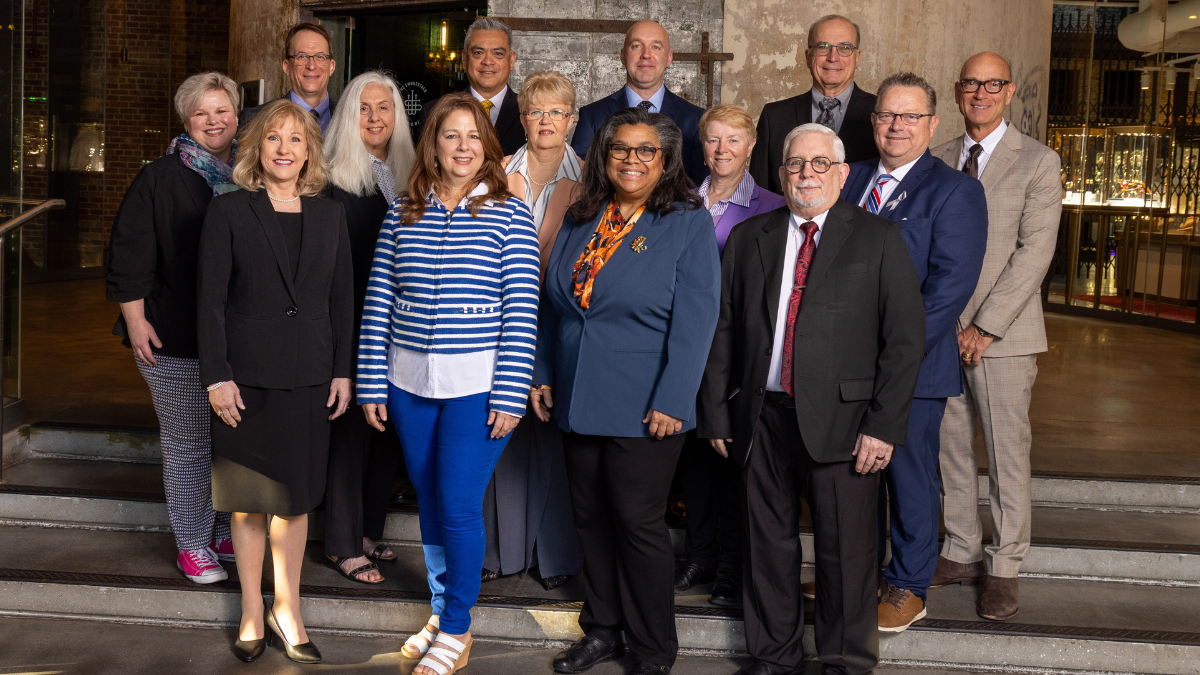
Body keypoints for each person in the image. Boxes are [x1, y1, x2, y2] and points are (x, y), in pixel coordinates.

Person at [698, 122, 925, 675]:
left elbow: (904, 340)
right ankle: (773, 656)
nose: (807, 174)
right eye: (796, 164)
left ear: (842, 174)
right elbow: (722, 330)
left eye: (820, 163)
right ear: (781, 174)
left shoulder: (877, 238)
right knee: (765, 546)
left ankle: (844, 661)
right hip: (761, 417)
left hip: (847, 424)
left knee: (846, 553)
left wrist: (883, 426)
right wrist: (716, 414)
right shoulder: (750, 237)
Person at [356, 93, 540, 675]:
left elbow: (522, 310)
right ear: (432, 145)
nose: (463, 147)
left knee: (458, 505)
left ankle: (458, 629)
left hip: (478, 388)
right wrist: (371, 383)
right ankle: (441, 612)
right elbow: (379, 301)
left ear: (487, 146)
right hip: (408, 383)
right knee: (431, 500)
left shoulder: (509, 214)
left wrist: (510, 393)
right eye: (450, 135)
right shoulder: (402, 211)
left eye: (473, 136)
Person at [533, 106, 720, 675]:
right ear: (604, 156)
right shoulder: (582, 214)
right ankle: (604, 630)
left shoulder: (686, 221)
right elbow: (554, 305)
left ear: (665, 162)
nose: (631, 160)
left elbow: (697, 320)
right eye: (620, 149)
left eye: (645, 151)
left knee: (638, 526)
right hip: (575, 394)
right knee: (589, 520)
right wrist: (543, 370)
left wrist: (674, 398)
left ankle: (653, 647)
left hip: (646, 405)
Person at [197, 99, 355, 664]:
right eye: (273, 138)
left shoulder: (331, 215)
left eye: (295, 139)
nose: (284, 149)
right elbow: (210, 302)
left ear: (309, 151)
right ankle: (250, 608)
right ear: (256, 148)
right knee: (248, 502)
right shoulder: (229, 210)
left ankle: (287, 610)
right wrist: (217, 377)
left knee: (295, 503)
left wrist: (343, 370)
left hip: (310, 377)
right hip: (245, 382)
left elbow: (343, 300)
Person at [840, 72, 988, 633]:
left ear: (932, 124)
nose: (896, 126)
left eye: (910, 116)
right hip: (843, 366)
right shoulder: (849, 177)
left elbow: (949, 289)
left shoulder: (954, 191)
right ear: (873, 120)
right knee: (852, 479)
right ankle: (856, 577)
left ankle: (908, 586)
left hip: (913, 368)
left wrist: (889, 352)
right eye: (887, 115)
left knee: (909, 480)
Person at [931, 52, 1062, 622]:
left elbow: (1035, 253)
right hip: (942, 332)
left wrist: (984, 327)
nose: (980, 93)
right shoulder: (936, 158)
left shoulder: (1039, 161)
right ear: (957, 91)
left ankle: (1004, 565)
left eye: (993, 84)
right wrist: (943, 323)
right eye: (971, 83)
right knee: (950, 447)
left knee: (1007, 453)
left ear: (1009, 92)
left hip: (1003, 336)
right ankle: (961, 549)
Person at [107, 72, 241, 586]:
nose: (214, 121)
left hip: (236, 339)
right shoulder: (159, 177)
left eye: (222, 110)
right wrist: (135, 321)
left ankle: (223, 530)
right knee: (189, 444)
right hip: (172, 336)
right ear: (186, 121)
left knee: (231, 443)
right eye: (201, 112)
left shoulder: (253, 173)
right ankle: (192, 543)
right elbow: (128, 254)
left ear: (237, 115)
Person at [673, 104, 785, 607]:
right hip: (685, 348)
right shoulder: (678, 200)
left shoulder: (772, 206)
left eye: (733, 140)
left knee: (735, 461)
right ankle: (699, 554)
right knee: (694, 460)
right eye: (713, 139)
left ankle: (732, 567)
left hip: (740, 354)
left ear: (751, 145)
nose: (722, 150)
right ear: (702, 145)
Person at [481, 70, 584, 590]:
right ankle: (499, 551)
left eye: (556, 112)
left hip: (563, 324)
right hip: (500, 320)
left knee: (554, 436)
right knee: (502, 433)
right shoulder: (495, 174)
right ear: (521, 119)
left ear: (572, 120)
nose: (546, 121)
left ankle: (556, 557)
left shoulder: (592, 179)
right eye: (536, 111)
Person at [320, 70, 416, 587]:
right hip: (351, 323)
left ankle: (366, 531)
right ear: (347, 116)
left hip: (397, 326)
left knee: (385, 431)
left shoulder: (406, 175)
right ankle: (340, 541)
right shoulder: (332, 179)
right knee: (349, 435)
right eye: (364, 108)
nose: (376, 118)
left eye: (385, 108)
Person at [749, 14, 878, 195]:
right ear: (808, 56)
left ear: (857, 57)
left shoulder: (882, 116)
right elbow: (758, 195)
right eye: (823, 47)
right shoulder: (774, 117)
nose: (833, 57)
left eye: (845, 48)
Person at [571, 21, 707, 186]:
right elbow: (579, 183)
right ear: (623, 56)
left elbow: (700, 187)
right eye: (636, 46)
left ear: (669, 58)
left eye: (655, 47)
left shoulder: (696, 119)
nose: (646, 55)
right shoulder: (592, 116)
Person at [418, 17, 524, 155]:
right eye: (478, 53)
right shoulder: (433, 112)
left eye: (498, 54)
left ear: (511, 61)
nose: (487, 61)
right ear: (464, 59)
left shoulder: (530, 112)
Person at [241, 22, 338, 133]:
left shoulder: (351, 117)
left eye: (320, 56)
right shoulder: (254, 119)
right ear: (286, 67)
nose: (311, 66)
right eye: (302, 56)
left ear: (331, 67)